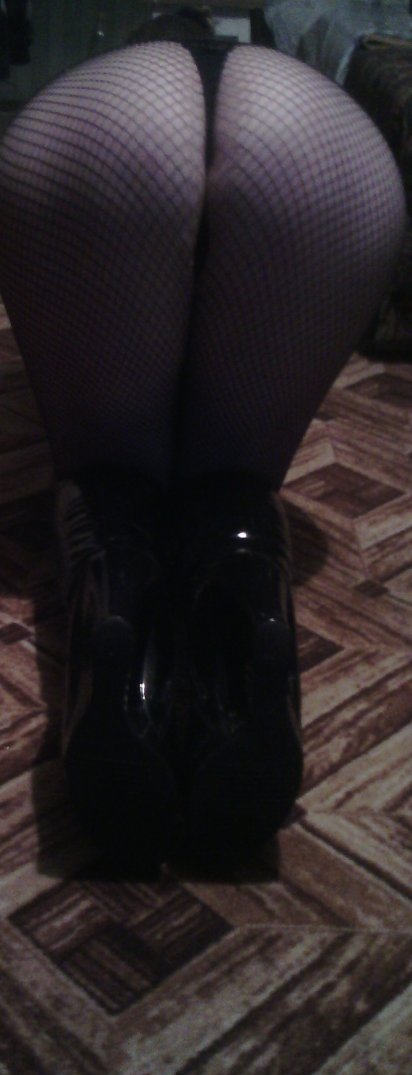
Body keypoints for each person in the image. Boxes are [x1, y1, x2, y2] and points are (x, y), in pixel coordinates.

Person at [0, 9, 405, 869]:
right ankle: (244, 573)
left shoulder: (122, 64)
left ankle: (113, 582)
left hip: (105, 127)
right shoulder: (280, 64)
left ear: (152, 34)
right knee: (230, 479)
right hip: (317, 142)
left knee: (111, 475)